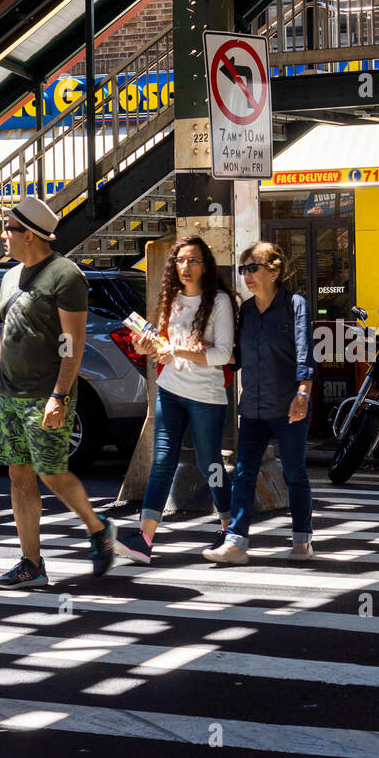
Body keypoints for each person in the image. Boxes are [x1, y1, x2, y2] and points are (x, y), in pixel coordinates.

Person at [0, 195, 117, 589]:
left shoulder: (65, 275)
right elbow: (5, 334)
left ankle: (98, 529)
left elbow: (72, 342)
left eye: (8, 228)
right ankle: (31, 562)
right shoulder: (11, 275)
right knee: (19, 475)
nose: (2, 235)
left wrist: (59, 396)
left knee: (51, 472)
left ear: (28, 234)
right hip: (7, 395)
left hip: (46, 394)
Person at [116, 236, 235, 563]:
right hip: (170, 389)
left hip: (206, 396)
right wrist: (148, 348)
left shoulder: (220, 301)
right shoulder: (171, 299)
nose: (186, 266)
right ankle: (144, 538)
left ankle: (229, 526)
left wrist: (176, 350)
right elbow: (163, 349)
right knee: (162, 461)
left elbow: (223, 353)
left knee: (208, 463)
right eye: (181, 260)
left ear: (206, 265)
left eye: (193, 260)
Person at [207, 242, 314, 564]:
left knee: (294, 472)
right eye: (243, 269)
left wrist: (304, 393)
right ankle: (236, 542)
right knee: (243, 473)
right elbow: (235, 358)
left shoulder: (295, 305)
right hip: (252, 406)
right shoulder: (247, 311)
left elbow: (305, 354)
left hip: (288, 405)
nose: (247, 276)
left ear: (275, 270)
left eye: (253, 267)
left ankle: (302, 539)